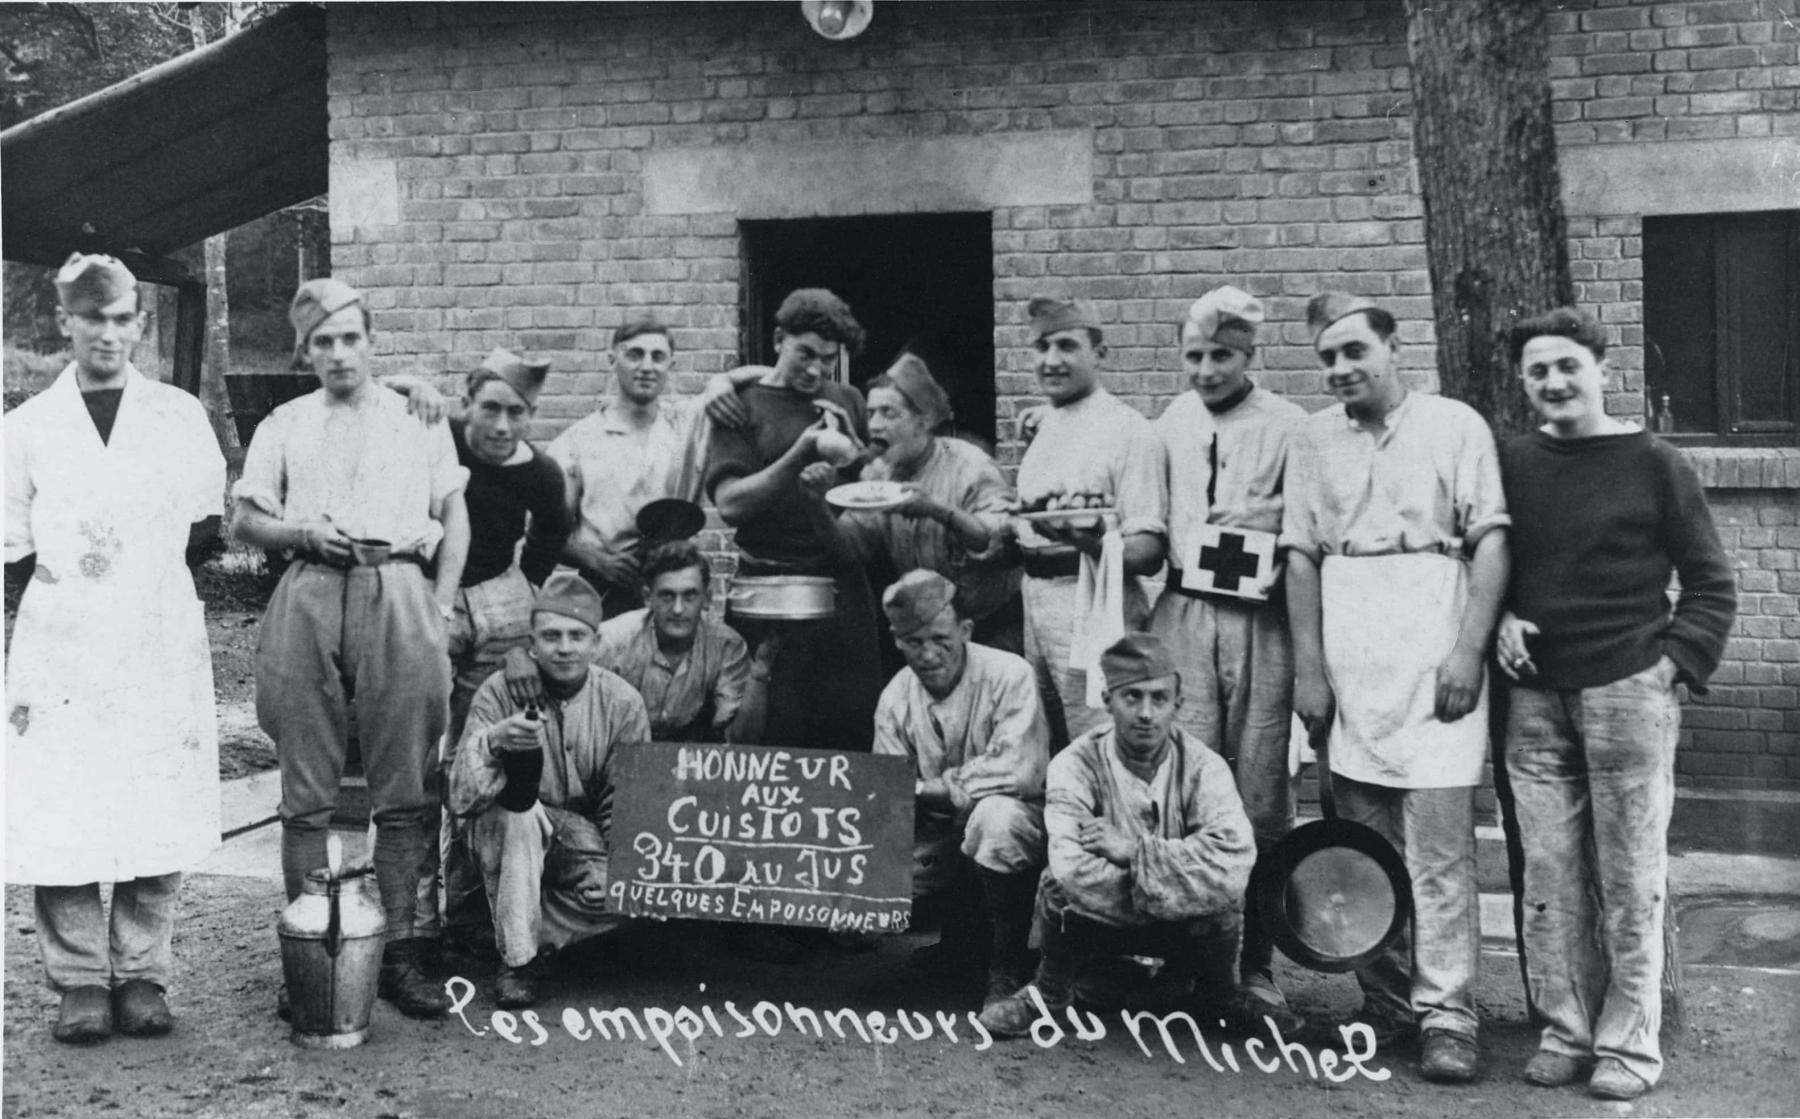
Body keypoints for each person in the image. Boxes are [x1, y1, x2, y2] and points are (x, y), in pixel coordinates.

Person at [1495, 308, 1735, 1101]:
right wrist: (1497, 619)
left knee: (1631, 877)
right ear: (1525, 384)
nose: (1555, 383)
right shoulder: (1514, 463)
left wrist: (1671, 667)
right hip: (1534, 696)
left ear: (1601, 368)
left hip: (1629, 689)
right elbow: (1486, 562)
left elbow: (1711, 583)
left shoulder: (1656, 463)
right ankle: (1565, 1030)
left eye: (1568, 365)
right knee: (1549, 875)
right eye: (1538, 372)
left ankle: (1630, 1045)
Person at [1282, 291, 1510, 1083]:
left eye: (1355, 351)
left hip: (1434, 649)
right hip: (1352, 662)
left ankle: (1449, 1013)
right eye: (1329, 359)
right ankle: (1385, 1001)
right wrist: (1311, 670)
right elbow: (1301, 555)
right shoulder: (1313, 440)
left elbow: (1490, 543)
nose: (1342, 368)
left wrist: (1467, 652)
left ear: (1392, 346)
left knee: (1440, 850)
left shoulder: (1455, 425)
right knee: (1362, 846)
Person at [232, 277, 469, 1019]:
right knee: (308, 791)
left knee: (405, 784)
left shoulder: (416, 416)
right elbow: (246, 517)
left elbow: (454, 516)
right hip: (308, 588)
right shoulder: (285, 421)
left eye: (351, 337)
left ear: (371, 340)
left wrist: (439, 603)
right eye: (323, 342)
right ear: (306, 352)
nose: (339, 353)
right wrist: (299, 533)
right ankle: (310, 950)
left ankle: (399, 951)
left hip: (398, 585)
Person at [4, 253, 226, 1042]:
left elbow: (203, 528)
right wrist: (78, 601)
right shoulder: (26, 429)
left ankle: (141, 972)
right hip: (62, 640)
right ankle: (78, 981)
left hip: (156, 631)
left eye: (121, 316)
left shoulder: (177, 417)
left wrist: (143, 589)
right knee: (63, 797)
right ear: (64, 320)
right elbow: (15, 549)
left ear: (140, 321)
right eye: (90, 316)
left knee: (153, 791)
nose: (107, 332)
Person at [1146, 286, 1306, 1028]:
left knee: (1260, 783)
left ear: (1252, 356)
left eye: (1223, 356)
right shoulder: (1171, 421)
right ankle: (1191, 955)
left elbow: (1309, 512)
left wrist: (1264, 518)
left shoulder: (1288, 425)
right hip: (1185, 611)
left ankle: (1256, 963)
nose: (1207, 370)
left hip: (1258, 617)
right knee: (1186, 775)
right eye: (1195, 355)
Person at [979, 633, 1258, 1038]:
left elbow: (1233, 863)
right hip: (1098, 928)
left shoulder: (1204, 767)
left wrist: (1136, 853)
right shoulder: (1075, 764)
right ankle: (1051, 995)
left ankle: (1216, 996)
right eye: (1133, 698)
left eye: (1159, 699)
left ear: (1177, 705)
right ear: (1108, 699)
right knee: (1056, 887)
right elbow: (1073, 869)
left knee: (1227, 903)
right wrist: (1175, 878)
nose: (1146, 713)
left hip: (1179, 930)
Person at [448, 573, 652, 1008]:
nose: (564, 647)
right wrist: (495, 741)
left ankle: (502, 927)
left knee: (635, 897)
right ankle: (517, 963)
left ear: (596, 643)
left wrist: (616, 876)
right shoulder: (498, 692)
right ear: (532, 644)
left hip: (575, 833)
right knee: (519, 815)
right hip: (500, 832)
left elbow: (626, 802)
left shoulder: (621, 702)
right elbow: (461, 797)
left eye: (577, 636)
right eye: (552, 636)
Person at [706, 288, 884, 754]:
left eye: (827, 359)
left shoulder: (846, 399)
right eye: (805, 353)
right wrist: (801, 452)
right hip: (768, 589)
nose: (815, 370)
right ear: (779, 338)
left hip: (842, 590)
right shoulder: (740, 403)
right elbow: (731, 505)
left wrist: (857, 460)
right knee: (766, 733)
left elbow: (870, 489)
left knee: (847, 732)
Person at [871, 571, 1048, 1010]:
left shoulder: (1009, 674)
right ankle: (956, 946)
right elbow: (889, 792)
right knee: (870, 891)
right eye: (914, 642)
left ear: (965, 631)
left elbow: (1021, 771)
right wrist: (932, 796)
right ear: (897, 640)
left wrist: (943, 788)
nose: (929, 654)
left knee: (995, 821)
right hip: (938, 830)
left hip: (1021, 823)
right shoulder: (895, 697)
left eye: (940, 639)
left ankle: (1006, 966)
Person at [1012, 297, 1168, 750]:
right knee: (1049, 742)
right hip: (1037, 599)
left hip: (1095, 603)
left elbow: (1149, 549)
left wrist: (1090, 543)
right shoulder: (1045, 425)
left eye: (1067, 346)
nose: (1052, 360)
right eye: (1042, 347)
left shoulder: (1128, 430)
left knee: (1100, 738)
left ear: (1099, 354)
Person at [547, 318, 755, 618]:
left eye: (658, 357)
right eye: (635, 354)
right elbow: (548, 533)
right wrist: (598, 561)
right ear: (612, 358)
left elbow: (771, 375)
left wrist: (720, 382)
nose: (647, 366)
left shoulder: (687, 422)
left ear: (671, 363)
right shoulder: (576, 442)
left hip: (672, 589)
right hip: (605, 590)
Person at [828, 355, 1022, 654]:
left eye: (889, 413)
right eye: (871, 413)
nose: (875, 425)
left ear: (925, 420)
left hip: (994, 627)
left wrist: (935, 510)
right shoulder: (879, 474)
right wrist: (821, 493)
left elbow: (1000, 542)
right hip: (931, 628)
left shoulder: (972, 467)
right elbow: (849, 546)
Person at [583, 540, 753, 743]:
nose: (678, 609)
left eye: (690, 595)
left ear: (707, 598)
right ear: (648, 598)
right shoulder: (612, 641)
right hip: (618, 747)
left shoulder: (727, 646)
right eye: (667, 596)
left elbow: (738, 738)